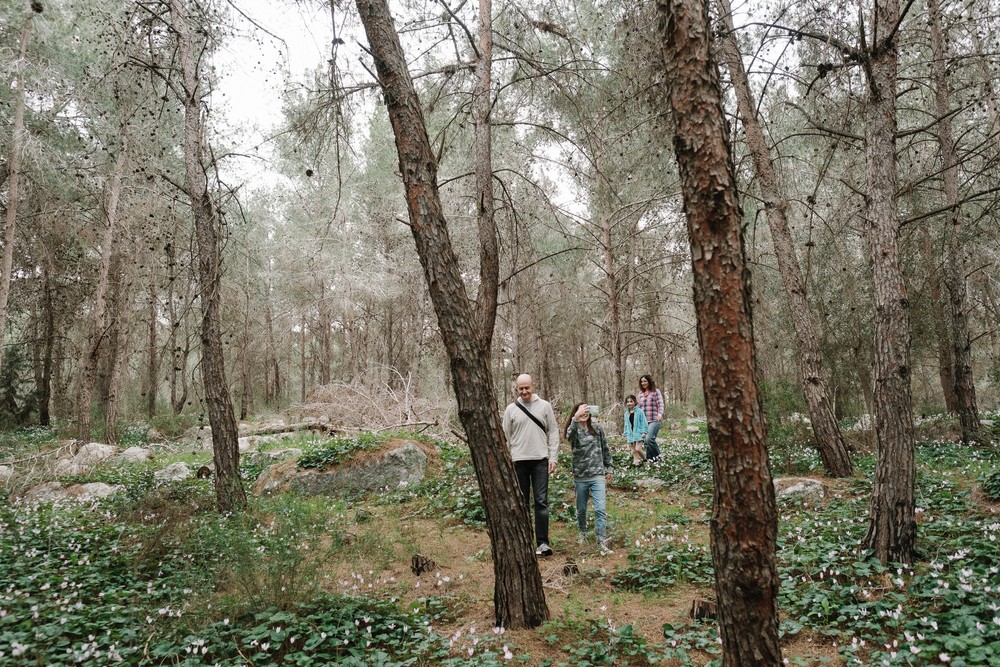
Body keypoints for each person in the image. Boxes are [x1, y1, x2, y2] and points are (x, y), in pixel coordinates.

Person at [501, 373, 560, 557]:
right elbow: (505, 437)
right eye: (521, 388)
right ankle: (524, 541)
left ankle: (542, 543)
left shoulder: (544, 406)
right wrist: (506, 462)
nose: (525, 391)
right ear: (516, 389)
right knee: (521, 503)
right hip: (518, 461)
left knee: (541, 502)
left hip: (540, 460)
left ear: (533, 386)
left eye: (527, 387)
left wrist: (553, 457)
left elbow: (553, 431)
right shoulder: (511, 409)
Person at [565, 402, 614, 555]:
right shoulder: (574, 429)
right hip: (581, 476)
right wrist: (575, 418)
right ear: (577, 412)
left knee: (600, 509)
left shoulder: (597, 428)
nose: (585, 413)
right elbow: (568, 436)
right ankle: (582, 533)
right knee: (581, 510)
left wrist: (609, 467)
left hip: (597, 474)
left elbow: (605, 447)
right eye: (582, 410)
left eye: (587, 410)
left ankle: (601, 540)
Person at [637, 374, 664, 461]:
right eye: (641, 382)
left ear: (649, 381)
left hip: (655, 420)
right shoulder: (640, 394)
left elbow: (660, 403)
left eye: (645, 381)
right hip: (644, 422)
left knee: (649, 439)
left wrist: (660, 413)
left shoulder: (655, 391)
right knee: (646, 442)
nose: (643, 383)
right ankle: (651, 459)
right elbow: (638, 408)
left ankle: (659, 457)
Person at [622, 395, 649, 466]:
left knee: (638, 449)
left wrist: (644, 432)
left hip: (639, 433)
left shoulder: (639, 412)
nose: (629, 403)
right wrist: (625, 433)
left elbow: (644, 422)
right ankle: (636, 462)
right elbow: (626, 424)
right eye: (627, 402)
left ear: (635, 402)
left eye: (631, 401)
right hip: (630, 433)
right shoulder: (626, 413)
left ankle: (645, 459)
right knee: (633, 450)